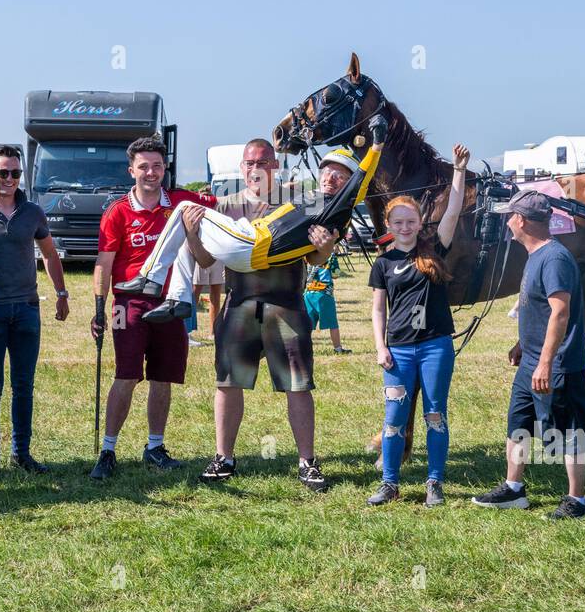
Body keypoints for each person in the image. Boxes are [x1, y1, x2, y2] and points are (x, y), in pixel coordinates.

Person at [191, 138, 351, 493]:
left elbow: (315, 258)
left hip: (286, 305)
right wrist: (191, 233)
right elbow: (205, 261)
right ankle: (224, 457)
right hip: (240, 303)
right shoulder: (226, 205)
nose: (255, 169)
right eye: (249, 163)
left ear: (275, 166)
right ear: (241, 167)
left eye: (263, 163)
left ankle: (307, 461)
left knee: (297, 385)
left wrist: (325, 247)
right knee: (228, 382)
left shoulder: (298, 202)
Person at [112, 116, 385, 321]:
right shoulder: (314, 199)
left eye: (340, 175)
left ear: (351, 185)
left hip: (253, 247)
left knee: (183, 205)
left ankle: (151, 277)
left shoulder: (339, 207)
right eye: (326, 171)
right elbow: (292, 216)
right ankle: (177, 298)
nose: (329, 177)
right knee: (184, 225)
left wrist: (376, 143)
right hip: (247, 248)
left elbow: (363, 178)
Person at [88, 136, 216, 479]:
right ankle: (108, 450)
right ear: (132, 170)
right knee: (126, 375)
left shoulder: (180, 201)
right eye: (143, 166)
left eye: (157, 165)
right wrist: (99, 308)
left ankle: (155, 446)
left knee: (163, 377)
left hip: (171, 303)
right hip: (128, 301)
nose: (151, 172)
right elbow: (103, 263)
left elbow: (223, 205)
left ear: (165, 168)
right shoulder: (117, 211)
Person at [472, 189, 585, 519]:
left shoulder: (554, 258)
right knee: (519, 423)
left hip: (557, 365)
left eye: (510, 216)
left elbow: (560, 312)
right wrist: (523, 345)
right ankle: (513, 489)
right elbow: (537, 309)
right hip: (531, 361)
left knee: (568, 432)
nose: (507, 222)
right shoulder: (535, 254)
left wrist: (545, 363)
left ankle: (577, 500)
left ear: (522, 220)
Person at [367, 144, 470, 507]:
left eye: (411, 222)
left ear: (419, 223)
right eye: (399, 223)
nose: (406, 227)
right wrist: (381, 347)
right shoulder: (382, 264)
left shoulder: (434, 248)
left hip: (435, 347)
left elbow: (454, 211)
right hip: (398, 351)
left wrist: (458, 170)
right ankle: (389, 483)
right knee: (394, 416)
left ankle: (434, 483)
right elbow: (378, 309)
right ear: (389, 226)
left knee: (434, 414)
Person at [0, 145, 70, 479]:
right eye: (3, 172)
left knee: (24, 385)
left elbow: (51, 254)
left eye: (15, 173)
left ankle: (21, 453)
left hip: (26, 309)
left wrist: (61, 293)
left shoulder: (33, 213)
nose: (10, 179)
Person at [304, 251, 349, 354]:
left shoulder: (308, 253)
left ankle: (304, 349)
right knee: (333, 324)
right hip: (325, 294)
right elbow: (335, 274)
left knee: (307, 324)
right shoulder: (330, 255)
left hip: (308, 293)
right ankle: (338, 349)